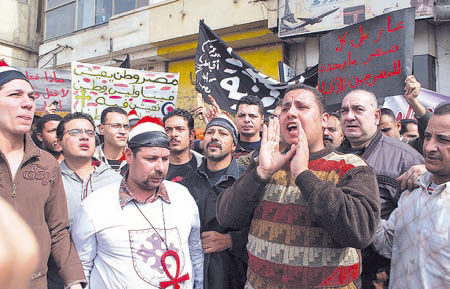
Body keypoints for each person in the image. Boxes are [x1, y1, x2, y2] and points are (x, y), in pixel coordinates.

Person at [217, 84, 380, 289]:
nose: (291, 113)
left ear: (324, 120)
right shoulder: (264, 162)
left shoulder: (350, 166)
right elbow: (227, 216)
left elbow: (360, 231)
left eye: (302, 107)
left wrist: (303, 174)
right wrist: (261, 173)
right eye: (285, 108)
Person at [71, 119, 203, 288]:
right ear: (128, 155)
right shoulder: (95, 206)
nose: (160, 167)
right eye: (151, 158)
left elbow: (195, 254)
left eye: (165, 158)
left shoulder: (182, 197)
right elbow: (81, 267)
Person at [0, 66, 86, 289]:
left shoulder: (47, 163)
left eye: (31, 96)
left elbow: (57, 230)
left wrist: (74, 281)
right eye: (14, 95)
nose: (28, 103)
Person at [338, 89, 424, 289]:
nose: (349, 116)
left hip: (380, 272)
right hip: (341, 269)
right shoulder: (334, 156)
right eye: (344, 111)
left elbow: (416, 225)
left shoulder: (405, 158)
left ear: (376, 116)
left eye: (358, 109)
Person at [372, 102, 450, 288]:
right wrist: (364, 202)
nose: (430, 147)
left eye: (443, 139)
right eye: (428, 137)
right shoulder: (412, 193)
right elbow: (387, 243)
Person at [47, 112, 121, 288]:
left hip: (106, 276)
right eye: (75, 132)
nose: (84, 137)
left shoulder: (115, 181)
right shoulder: (49, 180)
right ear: (58, 142)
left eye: (89, 132)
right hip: (57, 275)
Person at [182, 116, 248, 289]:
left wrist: (231, 240)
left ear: (234, 145)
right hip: (195, 275)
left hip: (235, 275)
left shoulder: (247, 181)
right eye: (210, 132)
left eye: (223, 133)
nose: (214, 137)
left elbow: (261, 227)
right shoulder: (186, 184)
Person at [163, 109, 203, 183]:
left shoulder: (204, 166)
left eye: (180, 129)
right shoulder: (156, 167)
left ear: (191, 135)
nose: (173, 134)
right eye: (168, 130)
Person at [95, 107, 130, 172]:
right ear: (101, 129)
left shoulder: (136, 158)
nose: (123, 131)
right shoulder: (90, 158)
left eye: (126, 127)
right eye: (116, 126)